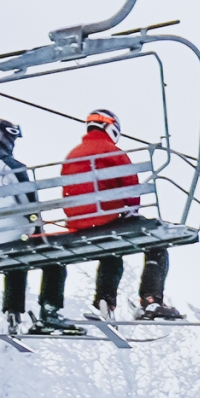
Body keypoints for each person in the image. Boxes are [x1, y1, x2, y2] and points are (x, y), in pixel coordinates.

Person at [57, 109, 183, 321]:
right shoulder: (112, 152)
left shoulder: (72, 155)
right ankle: (151, 300)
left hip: (79, 222)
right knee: (157, 239)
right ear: (111, 128)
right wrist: (130, 211)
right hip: (107, 217)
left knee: (112, 248)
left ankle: (104, 299)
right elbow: (130, 189)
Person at [0, 119, 80, 337]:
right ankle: (49, 312)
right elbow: (28, 202)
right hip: (15, 231)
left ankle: (13, 313)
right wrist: (36, 224)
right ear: (6, 138)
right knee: (54, 259)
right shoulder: (9, 165)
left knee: (16, 258)